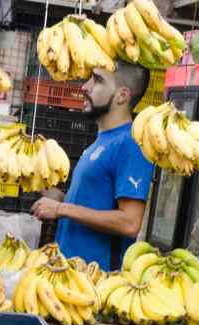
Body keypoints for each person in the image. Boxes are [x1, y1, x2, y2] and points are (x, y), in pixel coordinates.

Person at [31, 61, 156, 271]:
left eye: (97, 80)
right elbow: (93, 205)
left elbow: (130, 223)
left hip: (96, 280)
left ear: (122, 96)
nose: (84, 86)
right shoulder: (101, 142)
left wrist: (61, 209)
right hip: (71, 273)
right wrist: (57, 197)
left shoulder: (130, 144)